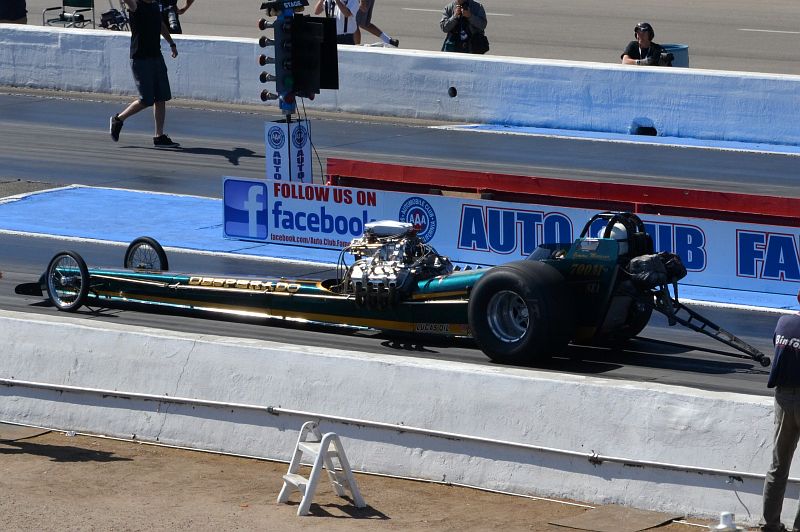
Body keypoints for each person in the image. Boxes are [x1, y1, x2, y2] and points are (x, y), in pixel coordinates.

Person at [110, 0, 180, 148]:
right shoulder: (136, 5)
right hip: (140, 59)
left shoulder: (154, 5)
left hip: (156, 56)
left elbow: (160, 25)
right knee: (146, 100)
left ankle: (159, 136)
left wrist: (171, 43)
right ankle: (118, 119)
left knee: (161, 97)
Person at [761, 289, 800, 532]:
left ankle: (770, 524)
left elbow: (778, 345)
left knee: (778, 466)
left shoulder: (783, 322)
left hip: (784, 398)